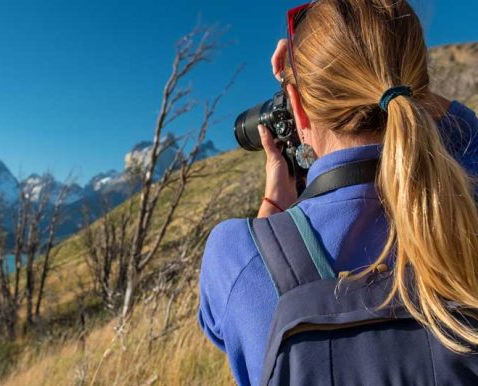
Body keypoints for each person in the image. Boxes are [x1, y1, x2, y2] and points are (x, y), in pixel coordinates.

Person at [198, 1, 478, 385]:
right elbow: (468, 130)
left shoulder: (233, 254)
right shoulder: (468, 198)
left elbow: (242, 330)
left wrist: (275, 206)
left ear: (297, 109)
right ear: (418, 92)